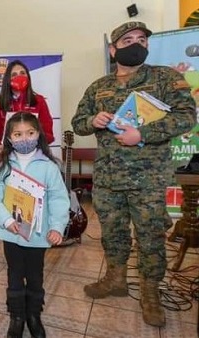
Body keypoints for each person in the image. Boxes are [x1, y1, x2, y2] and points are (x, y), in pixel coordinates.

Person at [71, 21, 196, 327]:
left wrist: (143, 134)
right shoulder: (98, 87)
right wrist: (93, 121)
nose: (136, 43)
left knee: (151, 237)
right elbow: (78, 122)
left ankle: (151, 293)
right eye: (127, 40)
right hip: (109, 178)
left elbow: (187, 117)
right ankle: (116, 279)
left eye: (141, 39)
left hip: (149, 179)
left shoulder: (166, 78)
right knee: (113, 234)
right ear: (113, 49)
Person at [0, 112, 69, 338]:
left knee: (35, 275)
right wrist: (7, 220)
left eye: (30, 133)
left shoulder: (49, 166)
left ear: (38, 134)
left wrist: (57, 227)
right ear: (9, 138)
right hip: (11, 234)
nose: (25, 139)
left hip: (38, 236)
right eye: (18, 134)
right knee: (14, 274)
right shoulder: (4, 165)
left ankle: (33, 315)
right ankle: (17, 317)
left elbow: (60, 199)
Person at [0, 60, 55, 154]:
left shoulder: (39, 101)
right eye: (14, 74)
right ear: (8, 79)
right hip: (9, 157)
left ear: (28, 77)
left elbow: (49, 134)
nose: (19, 77)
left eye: (22, 73)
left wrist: (34, 144)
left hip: (36, 156)